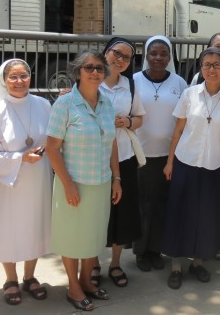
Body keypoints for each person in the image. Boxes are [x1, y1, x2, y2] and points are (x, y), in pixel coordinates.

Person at [46, 50, 122, 312]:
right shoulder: (64, 105)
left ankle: (86, 281)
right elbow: (52, 148)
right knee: (72, 237)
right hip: (73, 184)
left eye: (99, 68)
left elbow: (111, 143)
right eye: (88, 68)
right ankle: (73, 287)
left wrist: (117, 178)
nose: (94, 72)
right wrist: (67, 184)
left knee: (93, 236)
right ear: (78, 72)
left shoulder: (107, 104)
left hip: (101, 183)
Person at [162, 47, 220, 289]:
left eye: (217, 64)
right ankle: (176, 266)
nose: (211, 69)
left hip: (213, 167)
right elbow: (178, 129)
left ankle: (197, 263)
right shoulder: (189, 94)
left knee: (205, 218)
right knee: (179, 214)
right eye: (206, 65)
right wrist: (170, 161)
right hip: (185, 162)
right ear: (200, 68)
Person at [0, 59, 52, 305]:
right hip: (8, 181)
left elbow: (54, 140)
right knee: (9, 228)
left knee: (35, 224)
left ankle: (30, 277)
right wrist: (20, 158)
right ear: (4, 80)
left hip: (38, 178)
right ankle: (11, 279)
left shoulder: (43, 104)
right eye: (13, 77)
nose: (19, 81)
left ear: (31, 77)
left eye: (24, 76)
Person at [93, 37, 146, 288]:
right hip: (93, 157)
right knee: (96, 213)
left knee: (121, 214)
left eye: (127, 57)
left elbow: (140, 118)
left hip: (124, 156)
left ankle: (115, 264)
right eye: (117, 53)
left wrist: (127, 122)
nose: (121, 60)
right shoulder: (91, 80)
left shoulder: (130, 85)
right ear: (106, 52)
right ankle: (92, 264)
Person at [132, 36, 188, 272]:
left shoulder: (179, 83)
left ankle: (156, 250)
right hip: (139, 154)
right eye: (153, 53)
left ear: (169, 57)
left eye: (163, 53)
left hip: (168, 155)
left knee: (162, 204)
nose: (158, 58)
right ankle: (141, 251)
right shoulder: (133, 80)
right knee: (143, 204)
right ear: (146, 55)